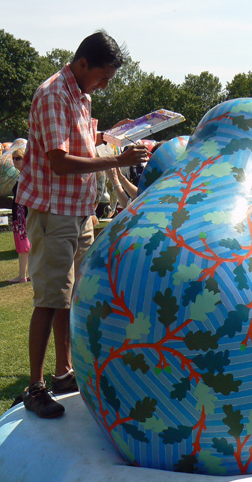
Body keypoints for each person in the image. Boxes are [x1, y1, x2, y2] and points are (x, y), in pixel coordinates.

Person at [15, 30, 151, 418]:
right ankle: (35, 386)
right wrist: (117, 162)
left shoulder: (81, 95)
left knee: (70, 297)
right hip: (53, 210)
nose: (105, 86)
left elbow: (83, 144)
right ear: (83, 64)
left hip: (78, 210)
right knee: (49, 298)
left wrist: (114, 136)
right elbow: (59, 161)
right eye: (103, 77)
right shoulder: (54, 93)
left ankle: (64, 372)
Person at [8, 148, 30, 284]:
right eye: (14, 158)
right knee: (25, 246)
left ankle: (22, 276)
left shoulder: (27, 176)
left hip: (23, 216)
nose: (15, 161)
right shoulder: (23, 175)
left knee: (24, 246)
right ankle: (25, 274)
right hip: (20, 215)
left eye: (18, 158)